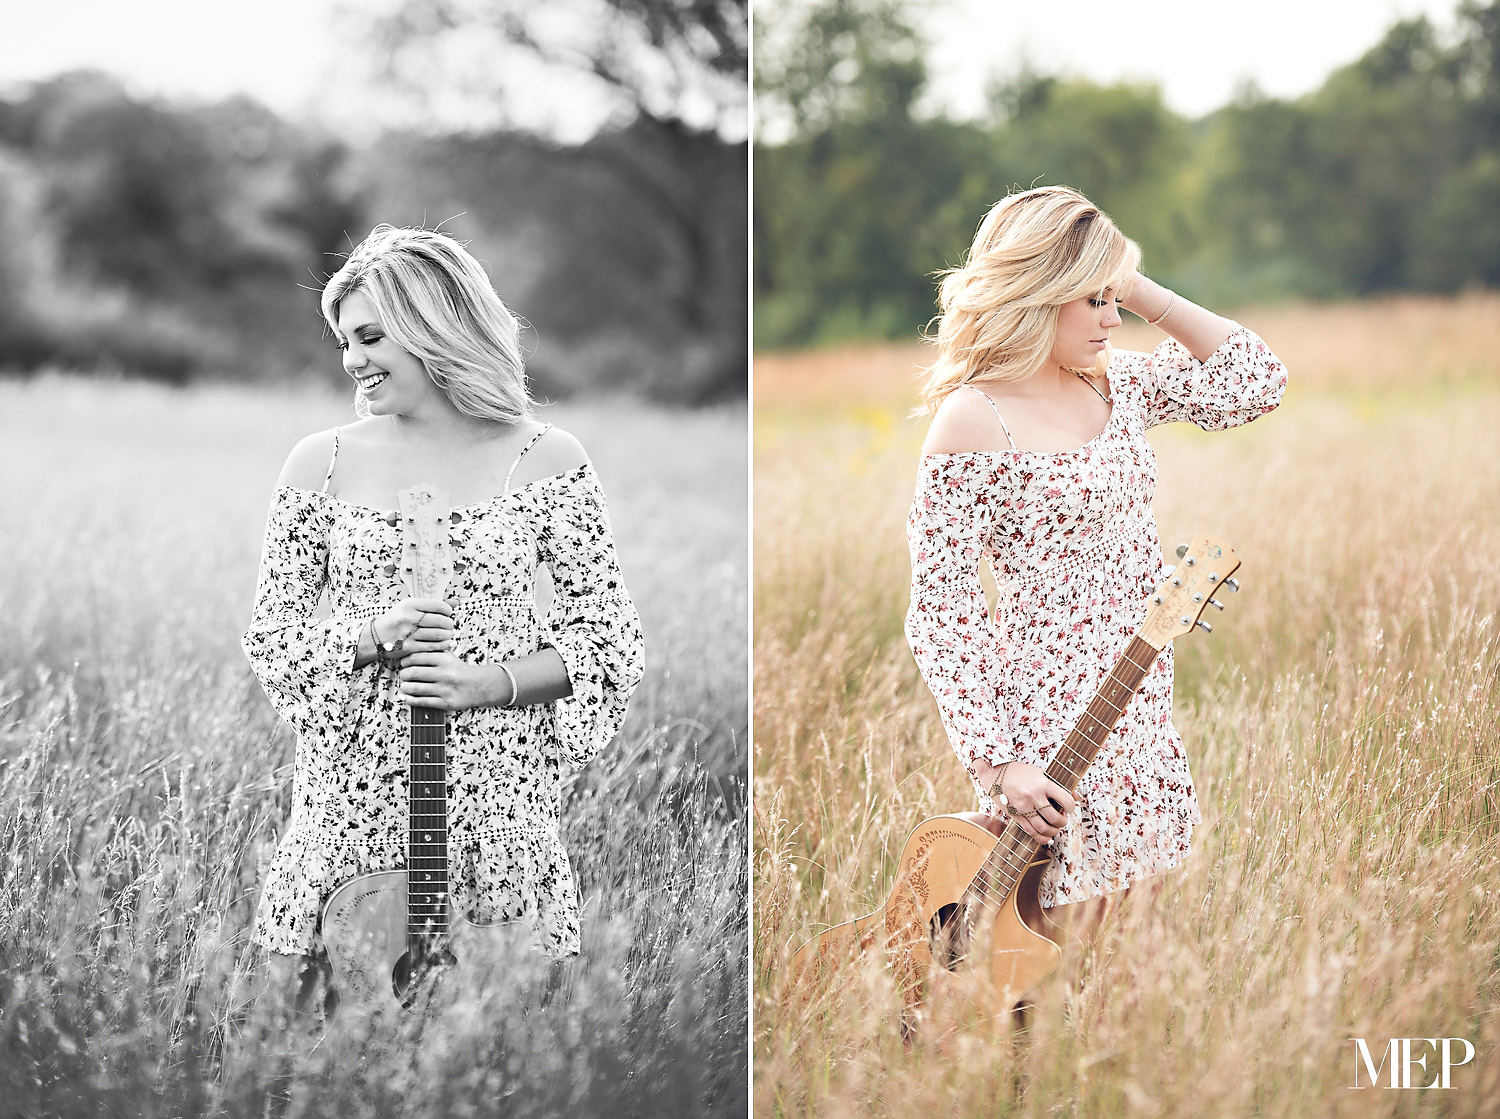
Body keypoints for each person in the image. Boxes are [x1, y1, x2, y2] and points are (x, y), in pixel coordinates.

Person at [242, 224, 645, 1013]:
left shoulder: (546, 458)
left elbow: (608, 638)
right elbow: (272, 638)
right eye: (342, 341)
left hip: (494, 796)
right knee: (327, 1027)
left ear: (435, 325)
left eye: (368, 335)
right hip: (352, 796)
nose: (352, 360)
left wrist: (489, 682)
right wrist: (371, 634)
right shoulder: (318, 462)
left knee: (498, 1039)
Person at [905, 186, 1285, 931]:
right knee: (1049, 949)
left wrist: (1134, 282)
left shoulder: (1116, 381)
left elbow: (1255, 382)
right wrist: (997, 764)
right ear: (1039, 294)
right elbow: (942, 613)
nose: (1113, 319)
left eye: (1114, 298)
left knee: (1138, 943)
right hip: (1046, 728)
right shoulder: (971, 417)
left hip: (1140, 702)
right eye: (1093, 300)